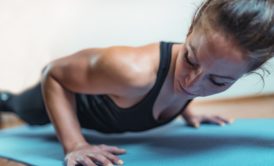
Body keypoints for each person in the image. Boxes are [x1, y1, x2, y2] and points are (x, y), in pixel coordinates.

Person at [0, 0, 273, 165]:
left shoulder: (206, 61)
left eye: (218, 81)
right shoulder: (131, 70)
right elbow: (54, 73)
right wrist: (75, 145)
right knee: (14, 105)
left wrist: (188, 110)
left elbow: (192, 78)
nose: (192, 84)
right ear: (190, 31)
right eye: (189, 60)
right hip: (51, 102)